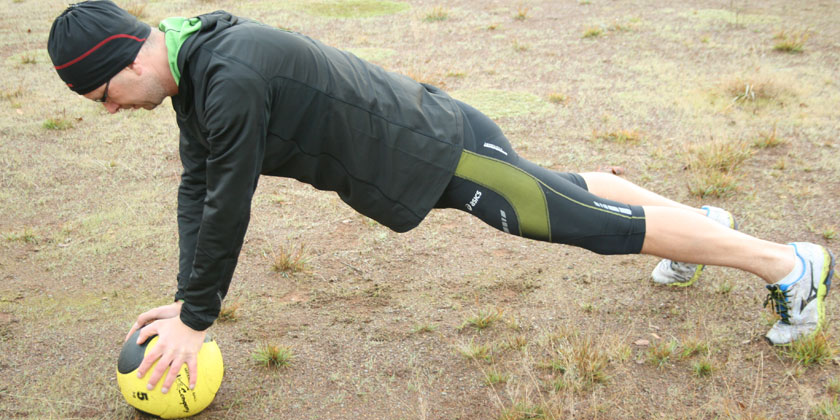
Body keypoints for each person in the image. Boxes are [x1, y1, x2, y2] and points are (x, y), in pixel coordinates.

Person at [48, 1, 834, 396]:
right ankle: (699, 228)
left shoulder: (229, 77)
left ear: (123, 53)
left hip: (441, 151)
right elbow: (200, 186)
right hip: (438, 138)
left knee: (588, 226)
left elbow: (229, 201)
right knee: (573, 196)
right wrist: (185, 300)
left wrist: (196, 319)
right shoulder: (198, 73)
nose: (113, 110)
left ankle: (789, 265)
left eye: (105, 93)